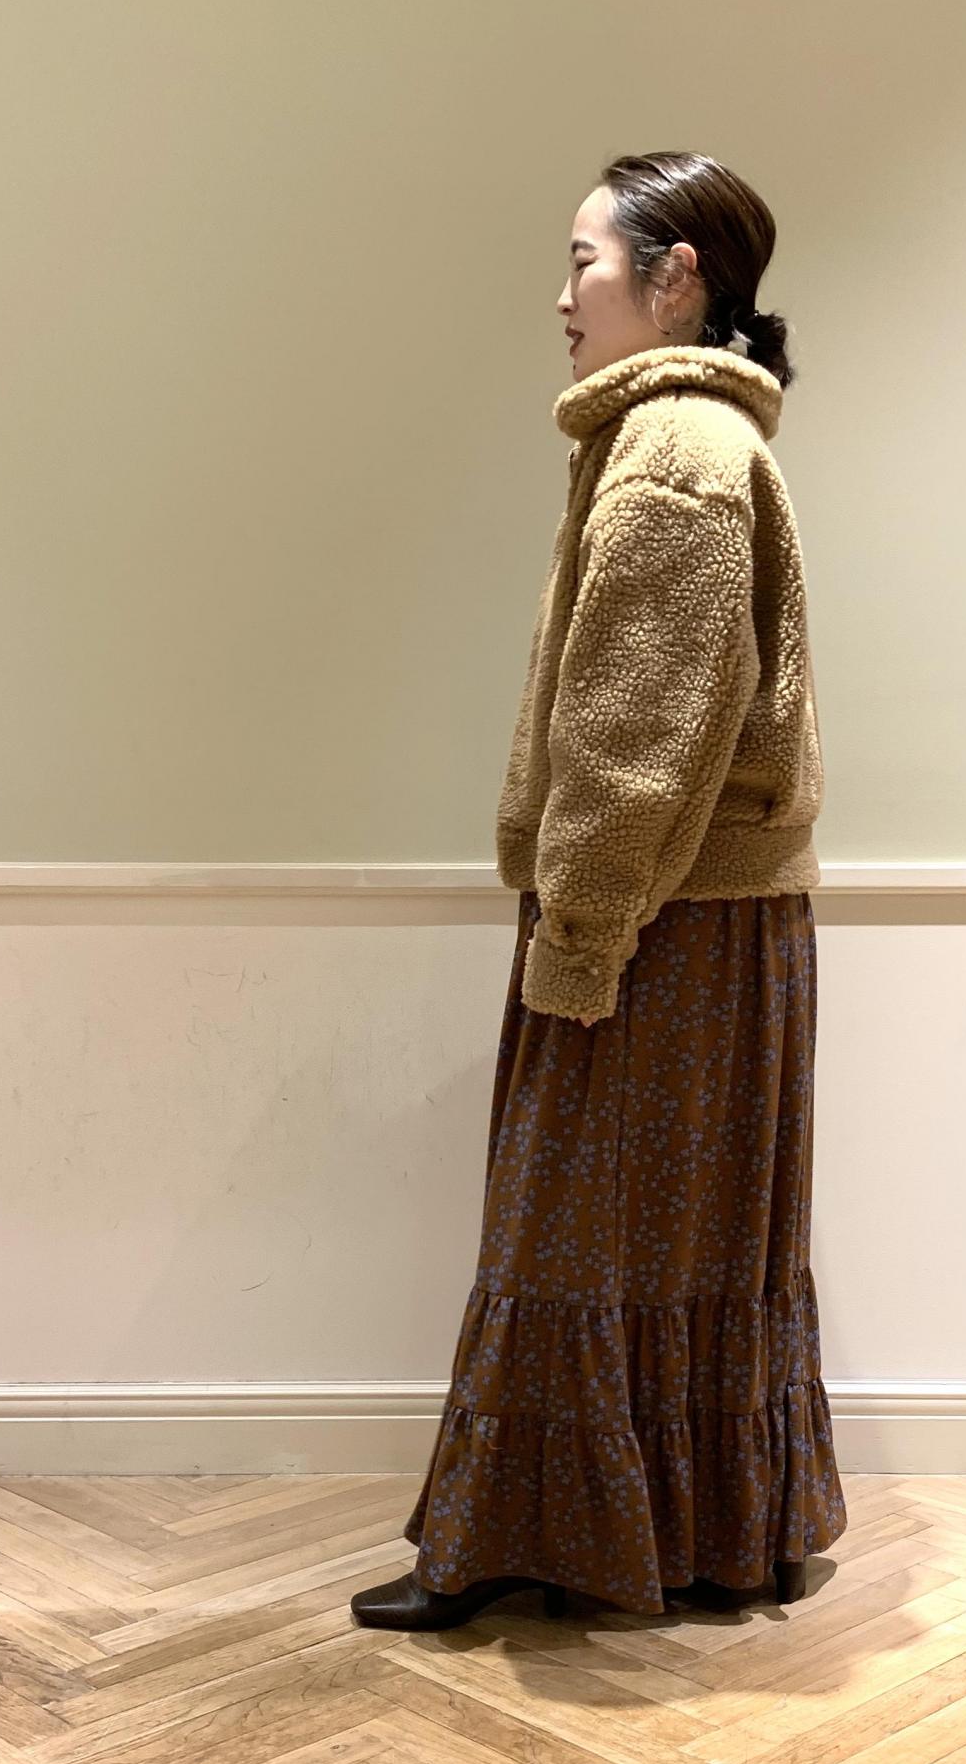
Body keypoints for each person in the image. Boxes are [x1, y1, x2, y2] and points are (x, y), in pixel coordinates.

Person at [352, 150, 847, 1631]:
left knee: (563, 1228)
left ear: (676, 277)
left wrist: (579, 936)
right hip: (711, 920)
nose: (562, 296)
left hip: (658, 927)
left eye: (585, 261)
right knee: (691, 1241)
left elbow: (639, 740)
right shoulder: (697, 440)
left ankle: (521, 1540)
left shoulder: (673, 453)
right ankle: (720, 1535)